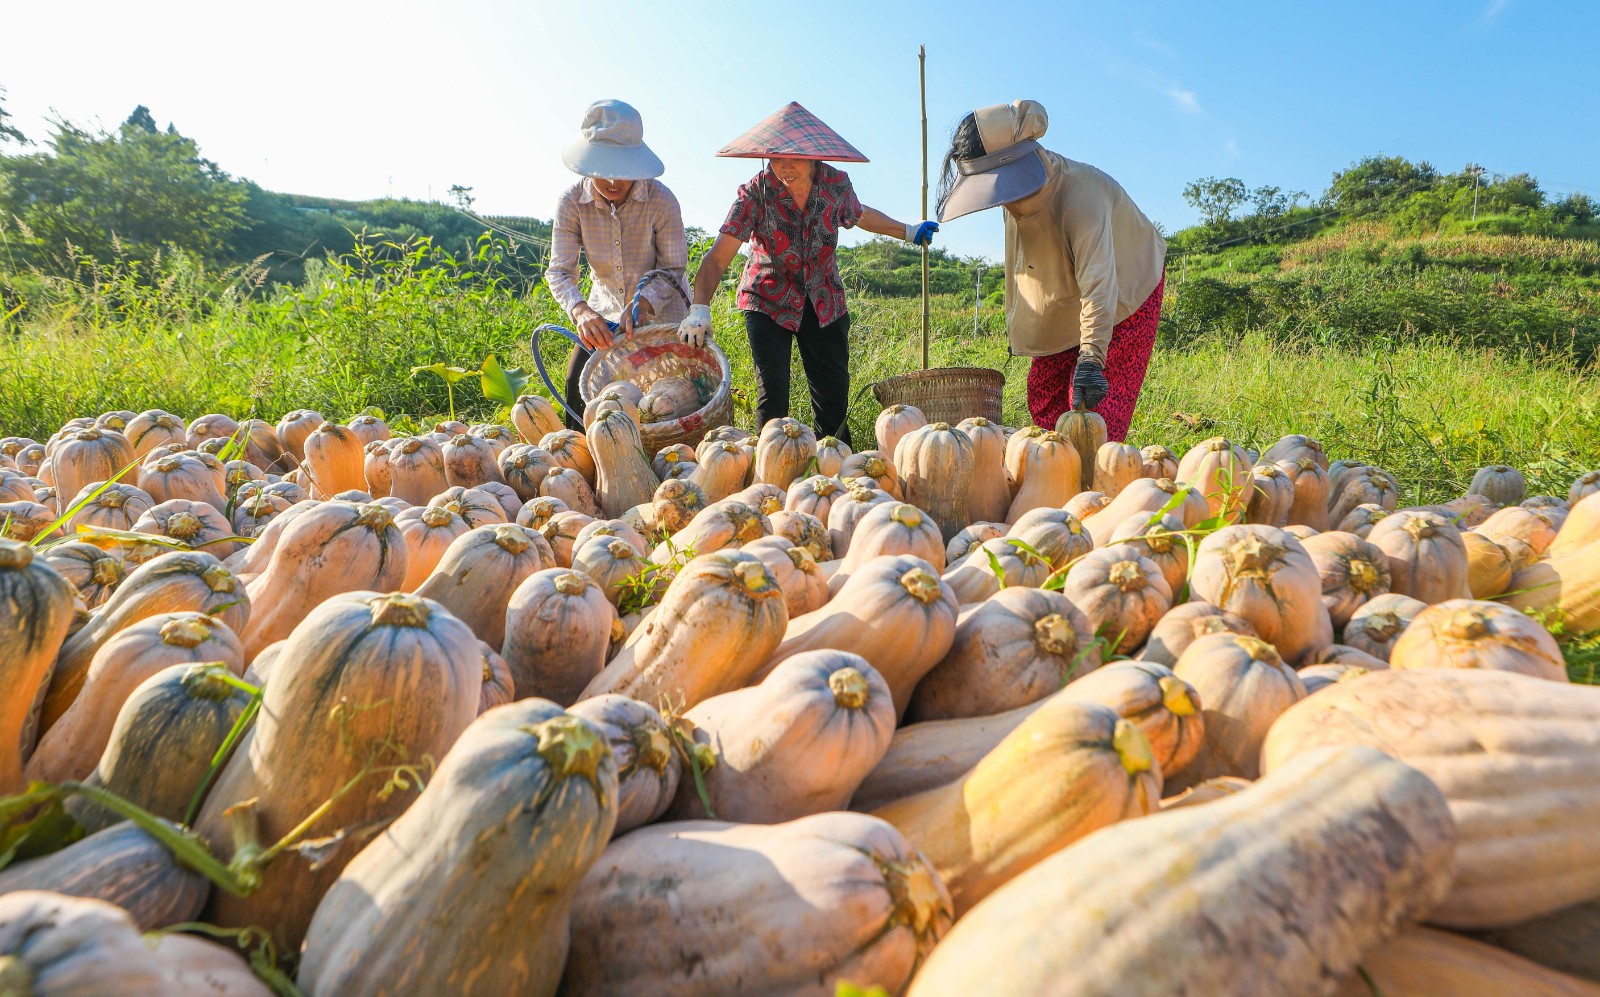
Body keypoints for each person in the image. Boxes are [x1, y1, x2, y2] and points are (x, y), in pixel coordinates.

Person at [679, 102, 938, 445]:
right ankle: (772, 477)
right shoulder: (755, 193)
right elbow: (717, 258)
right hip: (767, 299)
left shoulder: (836, 185)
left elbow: (860, 214)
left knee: (833, 401)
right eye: (776, 157)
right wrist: (699, 309)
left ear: (815, 156)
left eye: (795, 158)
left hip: (823, 298)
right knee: (773, 400)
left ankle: (832, 472)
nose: (784, 166)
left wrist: (907, 230)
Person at [937, 100, 1166, 442]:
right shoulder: (1010, 196)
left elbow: (1100, 286)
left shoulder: (1081, 195)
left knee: (1094, 417)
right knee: (1045, 397)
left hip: (1123, 294)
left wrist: (1090, 358)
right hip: (1070, 294)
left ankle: (1095, 485)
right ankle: (1053, 472)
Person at [546, 99, 691, 429]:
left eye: (621, 170)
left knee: (667, 400)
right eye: (603, 170)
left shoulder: (661, 200)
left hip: (662, 311)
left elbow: (673, 267)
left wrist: (644, 303)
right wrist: (582, 312)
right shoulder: (571, 203)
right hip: (606, 312)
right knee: (577, 386)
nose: (613, 181)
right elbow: (560, 271)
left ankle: (673, 470)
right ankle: (581, 469)